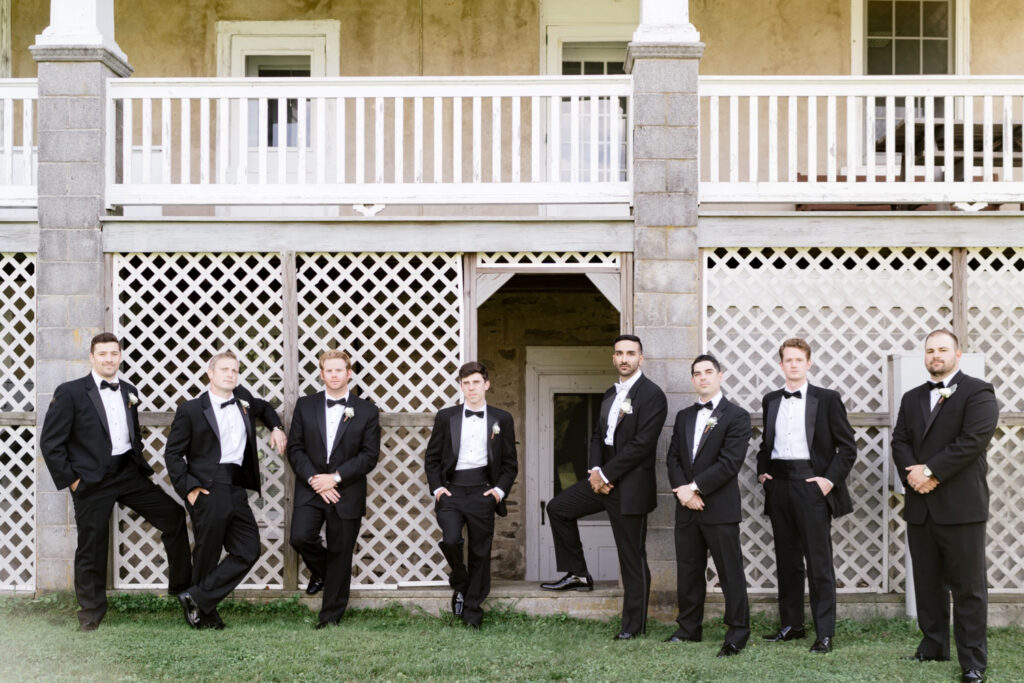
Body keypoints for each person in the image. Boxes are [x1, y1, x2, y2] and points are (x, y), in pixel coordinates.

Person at [40, 332, 191, 631]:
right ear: (92, 357)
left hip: (127, 474)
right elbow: (50, 443)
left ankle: (183, 590)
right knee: (92, 546)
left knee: (173, 516)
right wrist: (73, 481)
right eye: (103, 354)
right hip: (91, 481)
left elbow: (130, 433)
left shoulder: (129, 390)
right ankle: (91, 613)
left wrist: (137, 459)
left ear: (120, 356)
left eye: (114, 353)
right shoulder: (70, 392)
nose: (109, 359)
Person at [540, 334, 667, 640]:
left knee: (632, 558)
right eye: (619, 353)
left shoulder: (652, 395)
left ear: (641, 358)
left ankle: (633, 627)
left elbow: (641, 446)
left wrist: (607, 476)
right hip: (602, 478)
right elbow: (599, 434)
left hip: (630, 486)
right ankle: (578, 573)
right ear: (613, 358)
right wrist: (596, 471)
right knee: (558, 508)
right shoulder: (611, 392)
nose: (625, 358)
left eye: (631, 353)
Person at [892, 329, 998, 683]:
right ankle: (933, 645)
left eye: (942, 350)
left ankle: (972, 663)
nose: (935, 355)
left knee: (968, 588)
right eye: (930, 350)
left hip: (961, 507)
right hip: (920, 507)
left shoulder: (978, 391)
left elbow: (973, 441)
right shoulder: (911, 398)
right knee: (927, 582)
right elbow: (900, 441)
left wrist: (931, 471)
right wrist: (914, 476)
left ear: (958, 353)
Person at [164, 349, 287, 629]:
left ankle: (196, 598)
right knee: (207, 553)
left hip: (236, 486)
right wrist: (189, 489)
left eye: (235, 370)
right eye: (225, 370)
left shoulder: (244, 402)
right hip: (207, 487)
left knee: (248, 549)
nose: (231, 374)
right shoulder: (191, 410)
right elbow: (172, 454)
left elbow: (265, 407)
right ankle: (204, 615)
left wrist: (277, 427)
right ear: (210, 374)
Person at [757, 337, 856, 654]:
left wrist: (827, 481)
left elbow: (847, 448)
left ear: (809, 363)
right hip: (779, 487)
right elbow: (765, 445)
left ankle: (824, 633)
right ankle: (792, 625)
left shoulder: (827, 399)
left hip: (812, 486)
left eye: (799, 359)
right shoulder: (771, 400)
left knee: (819, 563)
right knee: (787, 561)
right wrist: (763, 473)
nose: (794, 364)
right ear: (781, 364)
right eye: (788, 359)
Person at [287, 349, 381, 629]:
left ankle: (330, 616)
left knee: (341, 551)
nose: (334, 375)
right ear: (321, 374)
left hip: (346, 491)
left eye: (339, 370)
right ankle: (324, 573)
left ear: (349, 373)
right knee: (300, 537)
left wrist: (335, 478)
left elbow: (369, 455)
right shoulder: (305, 405)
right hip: (311, 488)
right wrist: (317, 479)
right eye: (329, 370)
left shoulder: (366, 410)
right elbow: (295, 448)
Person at [665, 354, 751, 657]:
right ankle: (689, 629)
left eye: (708, 372)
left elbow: (729, 463)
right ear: (692, 379)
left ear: (720, 375)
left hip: (719, 507)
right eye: (697, 373)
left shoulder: (737, 416)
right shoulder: (684, 416)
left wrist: (695, 488)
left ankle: (737, 632)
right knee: (689, 570)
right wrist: (683, 494)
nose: (703, 377)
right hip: (686, 507)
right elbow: (673, 458)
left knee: (730, 572)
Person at [424, 361, 517, 629]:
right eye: (466, 383)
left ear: (486, 384)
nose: (471, 387)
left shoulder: (502, 419)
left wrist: (498, 492)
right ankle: (461, 583)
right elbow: (432, 457)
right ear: (461, 386)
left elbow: (510, 463)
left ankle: (473, 611)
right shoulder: (446, 417)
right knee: (452, 540)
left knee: (480, 551)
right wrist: (438, 488)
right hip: (452, 491)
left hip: (483, 491)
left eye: (476, 382)